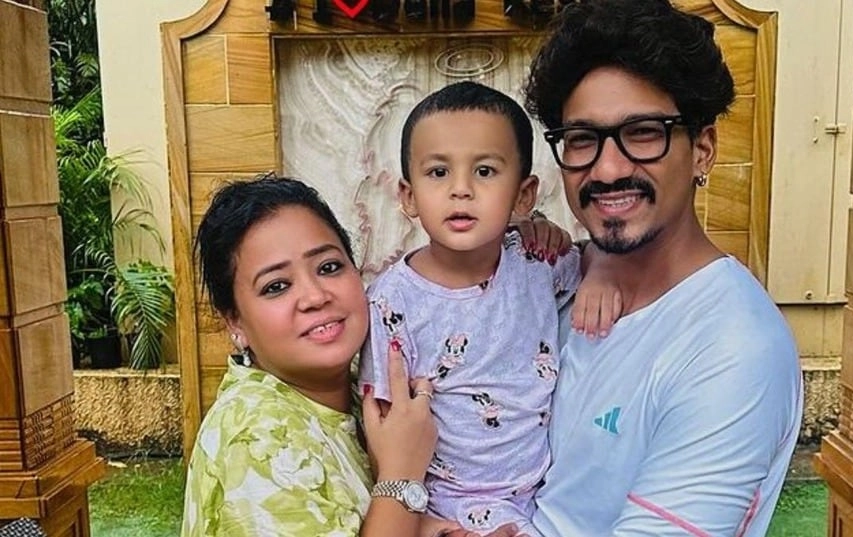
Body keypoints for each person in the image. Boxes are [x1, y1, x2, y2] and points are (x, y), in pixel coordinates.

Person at [519, 0, 804, 536]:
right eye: (581, 139)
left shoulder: (732, 348)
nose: (608, 169)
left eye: (644, 132)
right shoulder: (548, 284)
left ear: (702, 150)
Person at [358, 81, 620, 537]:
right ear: (408, 195)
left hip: (544, 492)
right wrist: (422, 522)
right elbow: (381, 427)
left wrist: (599, 273)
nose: (460, 190)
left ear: (523, 195)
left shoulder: (539, 263)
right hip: (439, 504)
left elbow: (601, 255)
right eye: (438, 172)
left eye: (484, 171)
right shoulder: (391, 301)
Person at [181, 176, 476, 537]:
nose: (315, 296)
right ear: (235, 322)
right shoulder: (255, 436)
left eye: (328, 267)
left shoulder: (357, 392)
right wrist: (403, 476)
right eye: (276, 286)